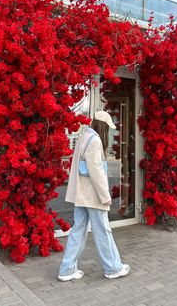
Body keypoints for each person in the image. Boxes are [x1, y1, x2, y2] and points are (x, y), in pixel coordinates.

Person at [58, 110, 130, 281]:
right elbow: (96, 171)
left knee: (78, 231)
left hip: (82, 195)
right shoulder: (95, 140)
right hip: (93, 196)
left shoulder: (84, 136)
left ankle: (66, 269)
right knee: (103, 231)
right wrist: (105, 196)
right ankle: (113, 268)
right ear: (103, 126)